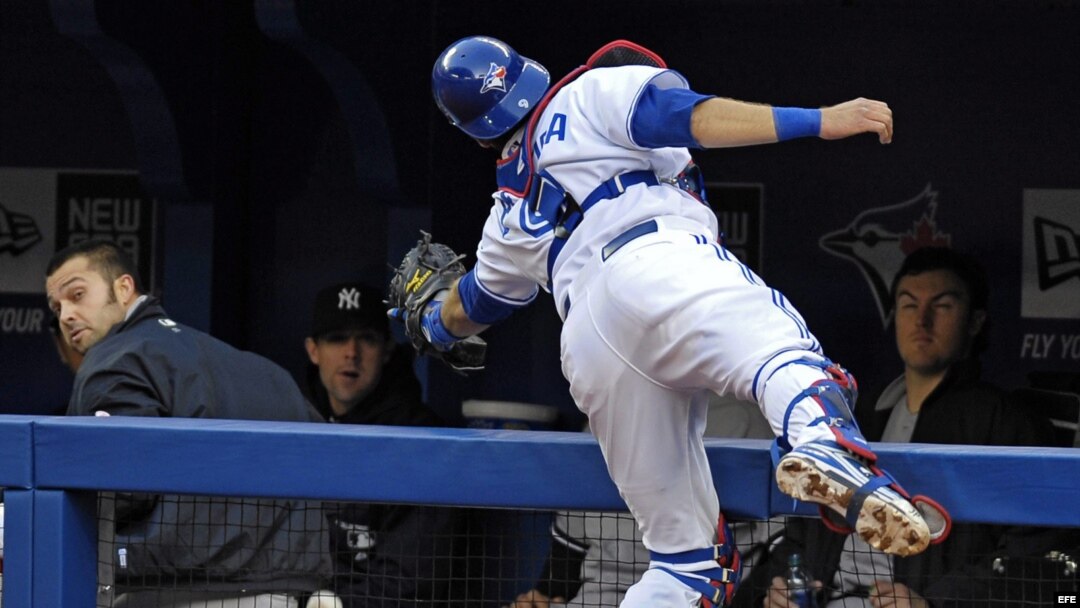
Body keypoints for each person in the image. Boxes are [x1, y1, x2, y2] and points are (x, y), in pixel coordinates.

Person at [409, 35, 949, 607]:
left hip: (589, 340)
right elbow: (685, 115)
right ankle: (825, 444)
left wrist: (428, 321)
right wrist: (820, 120)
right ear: (526, 77)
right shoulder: (588, 90)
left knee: (687, 565)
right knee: (780, 351)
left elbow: (470, 309)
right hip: (654, 260)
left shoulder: (506, 212)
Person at [747, 246, 1058, 607]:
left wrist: (934, 603)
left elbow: (1032, 559)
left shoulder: (1006, 421)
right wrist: (780, 587)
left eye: (942, 306)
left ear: (974, 322)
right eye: (909, 304)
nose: (921, 320)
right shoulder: (848, 414)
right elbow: (803, 531)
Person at [44, 238, 329, 608]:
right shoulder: (264, 371)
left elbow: (126, 487)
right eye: (57, 306)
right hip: (282, 592)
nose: (65, 314)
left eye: (77, 294)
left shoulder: (114, 359)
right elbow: (329, 472)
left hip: (173, 591)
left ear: (124, 287)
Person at [508, 397, 775, 608]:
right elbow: (567, 554)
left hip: (697, 599)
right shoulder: (602, 422)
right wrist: (541, 597)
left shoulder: (745, 421)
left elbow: (783, 549)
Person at [304, 281, 462, 607]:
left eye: (366, 338)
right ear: (313, 350)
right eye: (337, 338)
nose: (351, 353)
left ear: (387, 350)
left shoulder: (420, 441)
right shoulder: (294, 425)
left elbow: (411, 584)